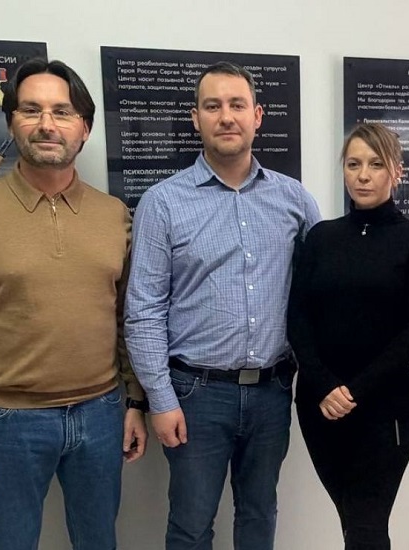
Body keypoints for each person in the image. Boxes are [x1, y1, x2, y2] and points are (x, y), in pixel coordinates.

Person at [0, 58, 148, 550]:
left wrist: (134, 401)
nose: (47, 124)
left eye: (62, 112)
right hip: (8, 422)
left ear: (84, 128)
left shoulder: (114, 215)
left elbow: (127, 318)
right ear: (12, 123)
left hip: (102, 414)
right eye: (31, 110)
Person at [125, 61, 321, 550]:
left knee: (259, 514)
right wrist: (160, 398)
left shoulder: (295, 200)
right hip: (195, 394)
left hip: (273, 391)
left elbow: (322, 293)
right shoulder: (163, 203)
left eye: (237, 105)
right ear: (196, 118)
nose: (226, 116)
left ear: (258, 115)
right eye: (213, 106)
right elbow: (144, 308)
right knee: (191, 525)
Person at [287, 123, 409, 549]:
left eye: (376, 165)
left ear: (397, 172)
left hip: (383, 409)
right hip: (320, 405)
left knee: (366, 525)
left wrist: (354, 391)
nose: (363, 175)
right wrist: (324, 385)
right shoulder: (322, 237)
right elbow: (298, 317)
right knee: (353, 522)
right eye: (353, 164)